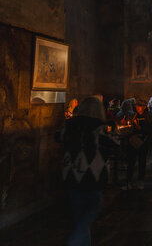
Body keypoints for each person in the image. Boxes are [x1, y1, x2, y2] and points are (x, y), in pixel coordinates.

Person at [61, 96, 119, 246]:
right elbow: (114, 143)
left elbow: (59, 137)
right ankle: (75, 239)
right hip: (92, 174)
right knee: (92, 207)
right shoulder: (99, 126)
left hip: (71, 173)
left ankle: (81, 241)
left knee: (79, 211)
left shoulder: (69, 124)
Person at [123, 99, 152, 190]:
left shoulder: (148, 116)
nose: (137, 107)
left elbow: (151, 129)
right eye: (136, 106)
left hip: (143, 143)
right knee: (131, 162)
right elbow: (129, 127)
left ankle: (140, 181)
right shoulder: (134, 115)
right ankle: (128, 181)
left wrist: (140, 128)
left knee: (142, 162)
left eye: (139, 106)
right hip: (133, 142)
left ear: (144, 107)